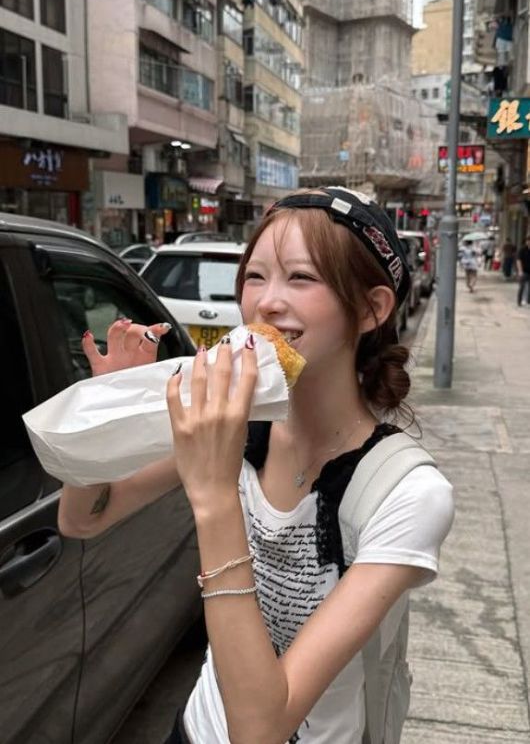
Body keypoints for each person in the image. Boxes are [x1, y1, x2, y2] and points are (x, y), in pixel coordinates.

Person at [58, 187, 454, 744]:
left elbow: (260, 729)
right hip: (195, 727)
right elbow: (84, 517)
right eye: (255, 277)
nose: (265, 303)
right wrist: (108, 408)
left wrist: (215, 496)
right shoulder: (243, 424)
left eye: (301, 277)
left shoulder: (407, 494)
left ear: (372, 308)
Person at [516, 234, 530, 306]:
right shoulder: (522, 250)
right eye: (528, 240)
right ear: (527, 241)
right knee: (522, 286)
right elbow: (518, 260)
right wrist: (520, 271)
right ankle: (519, 301)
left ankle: (528, 301)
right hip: (524, 271)